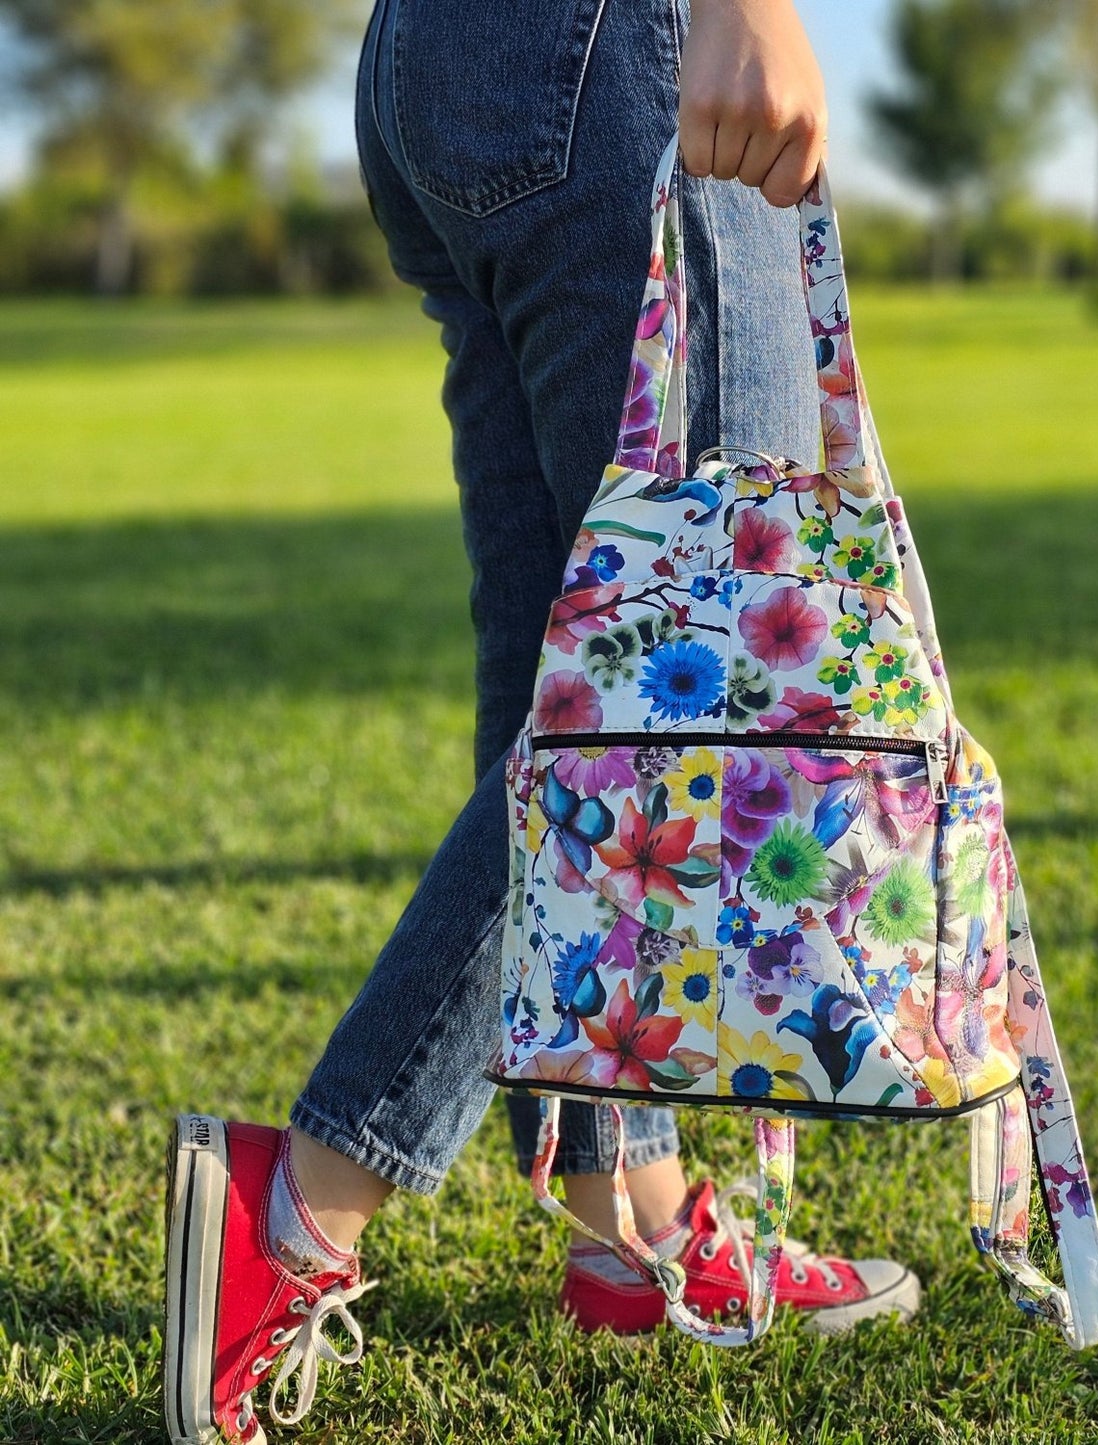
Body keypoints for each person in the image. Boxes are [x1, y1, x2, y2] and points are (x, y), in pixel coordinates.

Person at [162, 2, 922, 1440]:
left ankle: (625, 1207)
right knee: (681, 674)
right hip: (612, 53)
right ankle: (299, 1208)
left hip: (437, 66)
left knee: (564, 674)